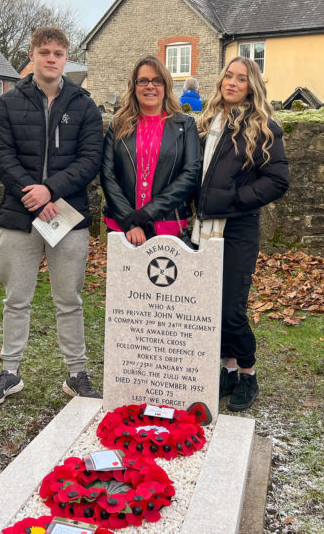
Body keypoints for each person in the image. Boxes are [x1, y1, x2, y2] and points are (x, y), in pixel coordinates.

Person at [0, 26, 103, 406]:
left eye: (59, 53)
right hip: (19, 215)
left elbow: (90, 160)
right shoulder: (8, 104)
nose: (52, 59)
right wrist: (33, 193)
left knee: (69, 299)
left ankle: (76, 374)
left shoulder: (84, 104)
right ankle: (10, 371)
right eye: (45, 52)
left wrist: (51, 190)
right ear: (31, 54)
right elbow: (2, 157)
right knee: (17, 299)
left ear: (66, 58)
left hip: (69, 216)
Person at [193, 56, 289, 412]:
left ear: (252, 87)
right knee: (209, 305)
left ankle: (248, 373)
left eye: (241, 79)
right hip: (202, 226)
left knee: (231, 308)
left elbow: (278, 180)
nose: (232, 83)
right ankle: (227, 370)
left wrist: (235, 199)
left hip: (237, 227)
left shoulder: (264, 126)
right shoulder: (205, 123)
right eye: (228, 76)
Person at [101, 55, 201, 247]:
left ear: (166, 86)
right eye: (143, 81)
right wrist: (130, 221)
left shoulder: (185, 125)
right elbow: (107, 175)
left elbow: (190, 174)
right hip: (123, 227)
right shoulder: (119, 124)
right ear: (134, 86)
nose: (150, 86)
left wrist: (147, 213)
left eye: (157, 81)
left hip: (167, 224)